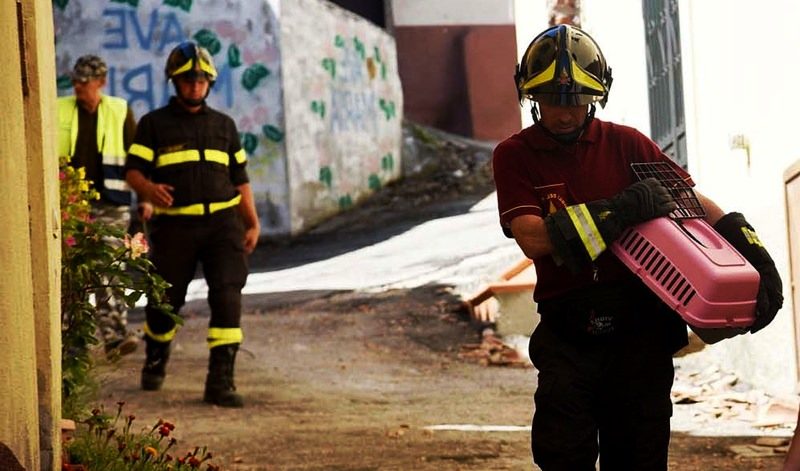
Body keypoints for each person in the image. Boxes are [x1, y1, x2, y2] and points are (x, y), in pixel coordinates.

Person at [492, 24, 783, 469]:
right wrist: (618, 210)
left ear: (596, 97)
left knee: (640, 456)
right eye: (552, 100)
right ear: (531, 97)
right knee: (562, 454)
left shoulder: (626, 143)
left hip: (639, 333)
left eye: (576, 100)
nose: (565, 113)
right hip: (568, 334)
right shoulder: (515, 155)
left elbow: (692, 203)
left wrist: (749, 246)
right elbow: (533, 238)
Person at [124, 41, 261, 408]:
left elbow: (240, 179)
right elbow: (134, 171)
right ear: (175, 81)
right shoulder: (154, 125)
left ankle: (221, 381)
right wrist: (149, 189)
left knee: (227, 296)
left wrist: (252, 222)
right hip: (174, 230)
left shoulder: (224, 126)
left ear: (210, 83)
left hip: (223, 227)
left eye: (202, 79)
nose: (195, 85)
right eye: (188, 79)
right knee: (165, 302)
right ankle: (155, 359)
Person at [57, 54, 140, 357]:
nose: (79, 87)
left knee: (109, 267)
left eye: (85, 81)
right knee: (72, 271)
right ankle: (71, 344)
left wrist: (144, 202)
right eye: (76, 81)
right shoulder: (59, 109)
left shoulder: (119, 110)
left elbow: (136, 160)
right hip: (71, 204)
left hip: (111, 202)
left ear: (101, 82)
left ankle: (115, 337)